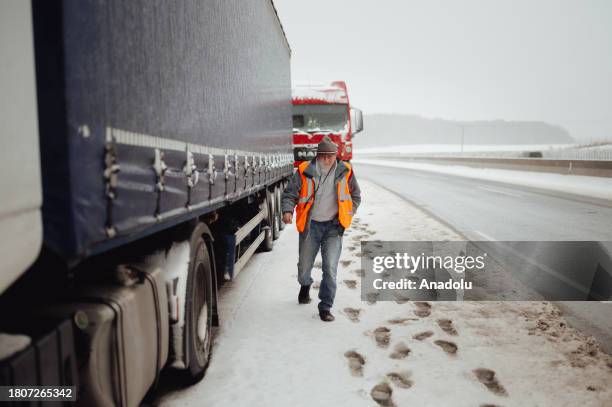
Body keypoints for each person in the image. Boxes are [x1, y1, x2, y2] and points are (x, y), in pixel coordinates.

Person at [281, 136, 361, 322]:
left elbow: (355, 196)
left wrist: (349, 213)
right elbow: (290, 193)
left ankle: (325, 307)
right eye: (323, 155)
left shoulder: (345, 171)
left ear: (336, 155)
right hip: (311, 226)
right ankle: (305, 285)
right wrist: (287, 210)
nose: (326, 159)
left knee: (330, 268)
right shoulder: (304, 171)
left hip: (334, 227)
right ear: (317, 156)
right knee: (304, 268)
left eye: (330, 156)